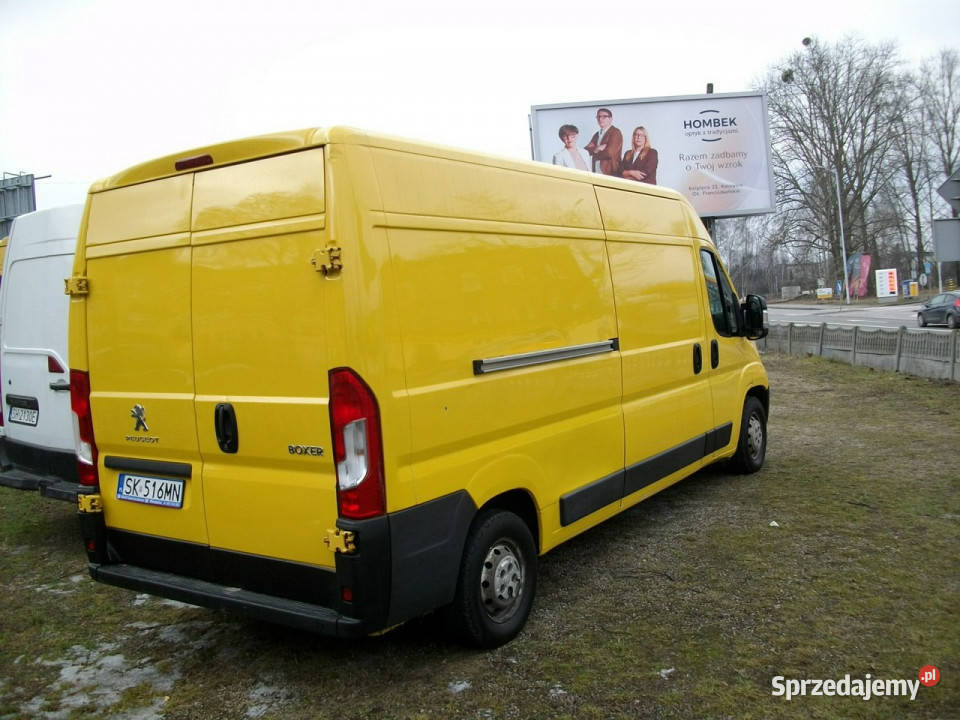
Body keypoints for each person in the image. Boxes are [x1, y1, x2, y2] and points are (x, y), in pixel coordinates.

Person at [583, 108, 623, 175]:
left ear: (610, 119)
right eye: (598, 117)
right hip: (596, 171)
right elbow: (585, 151)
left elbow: (609, 153)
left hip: (610, 171)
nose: (600, 119)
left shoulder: (615, 132)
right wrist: (597, 149)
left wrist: (594, 153)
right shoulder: (597, 134)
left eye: (604, 116)